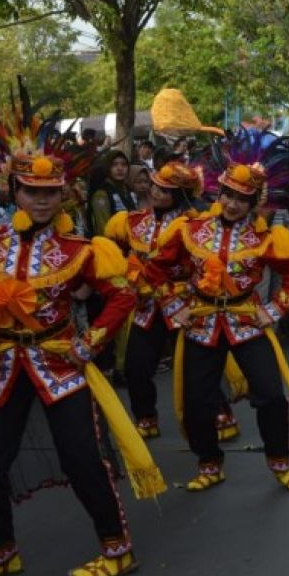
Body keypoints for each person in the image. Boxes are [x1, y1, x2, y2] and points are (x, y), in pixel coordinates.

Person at [0, 141, 165, 576]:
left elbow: (121, 295)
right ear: (12, 190)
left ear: (63, 194)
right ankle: (1, 552)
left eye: (50, 192)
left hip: (60, 366)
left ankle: (117, 550)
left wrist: (90, 343)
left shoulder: (81, 248)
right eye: (31, 191)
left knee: (83, 459)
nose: (41, 200)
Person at [145, 129, 289, 493]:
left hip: (246, 322)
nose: (232, 204)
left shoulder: (265, 238)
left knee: (271, 396)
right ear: (219, 192)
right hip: (201, 323)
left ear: (254, 203)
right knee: (197, 402)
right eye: (228, 195)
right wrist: (173, 305)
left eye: (241, 199)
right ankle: (209, 463)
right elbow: (154, 268)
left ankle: (280, 465)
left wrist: (275, 310)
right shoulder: (192, 230)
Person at [104, 161, 204, 438]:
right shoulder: (131, 221)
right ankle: (146, 416)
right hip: (147, 306)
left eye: (166, 190)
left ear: (180, 196)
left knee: (195, 365)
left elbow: (203, 264)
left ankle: (217, 412)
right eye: (156, 186)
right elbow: (116, 251)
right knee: (137, 364)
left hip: (182, 304)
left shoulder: (194, 226)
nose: (157, 193)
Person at [87, 150, 135, 238]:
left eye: (124, 164)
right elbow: (104, 230)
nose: (120, 168)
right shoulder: (102, 194)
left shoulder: (130, 191)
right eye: (114, 165)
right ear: (107, 167)